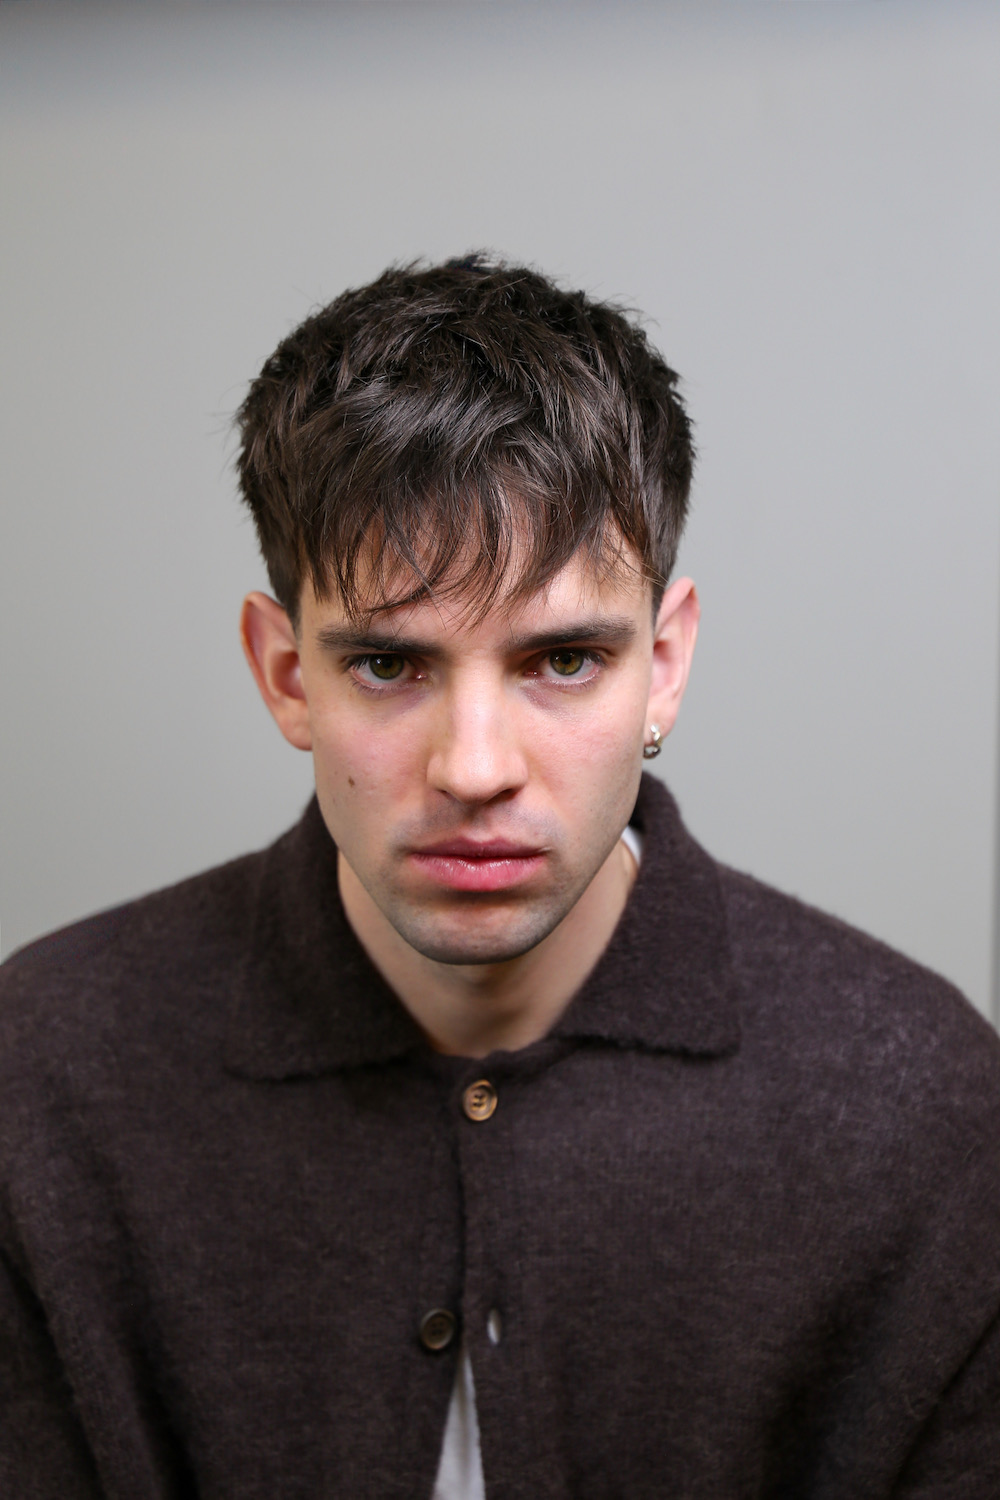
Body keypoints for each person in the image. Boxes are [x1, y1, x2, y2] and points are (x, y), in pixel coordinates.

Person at [1, 255, 999, 1500]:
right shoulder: (39, 1076)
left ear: (664, 667)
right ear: (284, 674)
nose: (475, 769)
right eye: (388, 665)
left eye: (563, 660)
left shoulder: (921, 1107)